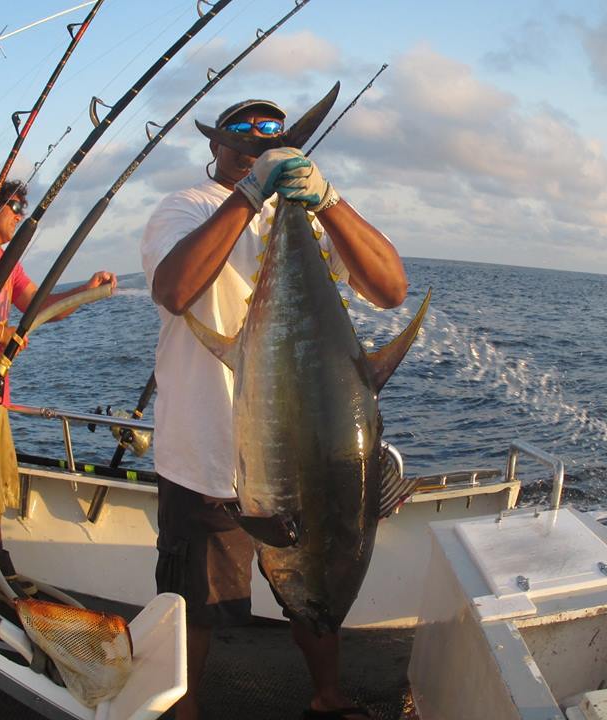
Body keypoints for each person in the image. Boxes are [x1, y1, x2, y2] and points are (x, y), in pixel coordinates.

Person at [141, 99, 407, 720]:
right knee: (194, 605)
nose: (257, 144)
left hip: (305, 458)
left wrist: (328, 200)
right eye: (242, 134)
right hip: (206, 457)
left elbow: (391, 289)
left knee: (316, 587)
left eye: (271, 136)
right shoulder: (185, 208)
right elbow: (174, 290)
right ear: (214, 145)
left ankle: (328, 697)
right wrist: (250, 195)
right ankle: (185, 712)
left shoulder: (311, 223)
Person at [0, 180, 116, 588]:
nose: (21, 214)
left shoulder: (8, 263)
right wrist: (3, 332)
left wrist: (85, 292)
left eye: (24, 207)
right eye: (15, 206)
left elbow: (39, 306)